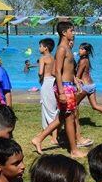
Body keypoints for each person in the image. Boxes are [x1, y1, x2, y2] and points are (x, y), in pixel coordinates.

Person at [30, 22, 86, 157]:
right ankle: (74, 150)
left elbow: (68, 69)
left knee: (62, 117)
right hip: (64, 87)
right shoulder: (61, 49)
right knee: (69, 117)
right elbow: (57, 72)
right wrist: (61, 92)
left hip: (68, 85)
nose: (74, 33)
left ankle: (38, 139)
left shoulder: (67, 48)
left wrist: (75, 80)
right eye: (71, 31)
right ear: (64, 33)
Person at [75, 42, 102, 129]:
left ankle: (75, 124)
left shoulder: (83, 61)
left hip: (85, 86)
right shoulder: (87, 60)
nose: (80, 50)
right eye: (80, 48)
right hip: (92, 85)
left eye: (82, 49)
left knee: (74, 105)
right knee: (95, 106)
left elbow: (78, 76)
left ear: (87, 52)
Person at [36, 38, 59, 142]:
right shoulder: (53, 58)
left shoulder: (43, 58)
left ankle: (54, 137)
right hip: (53, 81)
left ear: (45, 48)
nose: (39, 48)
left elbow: (41, 72)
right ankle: (46, 131)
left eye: (40, 46)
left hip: (46, 82)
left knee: (48, 108)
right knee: (52, 107)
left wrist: (39, 77)